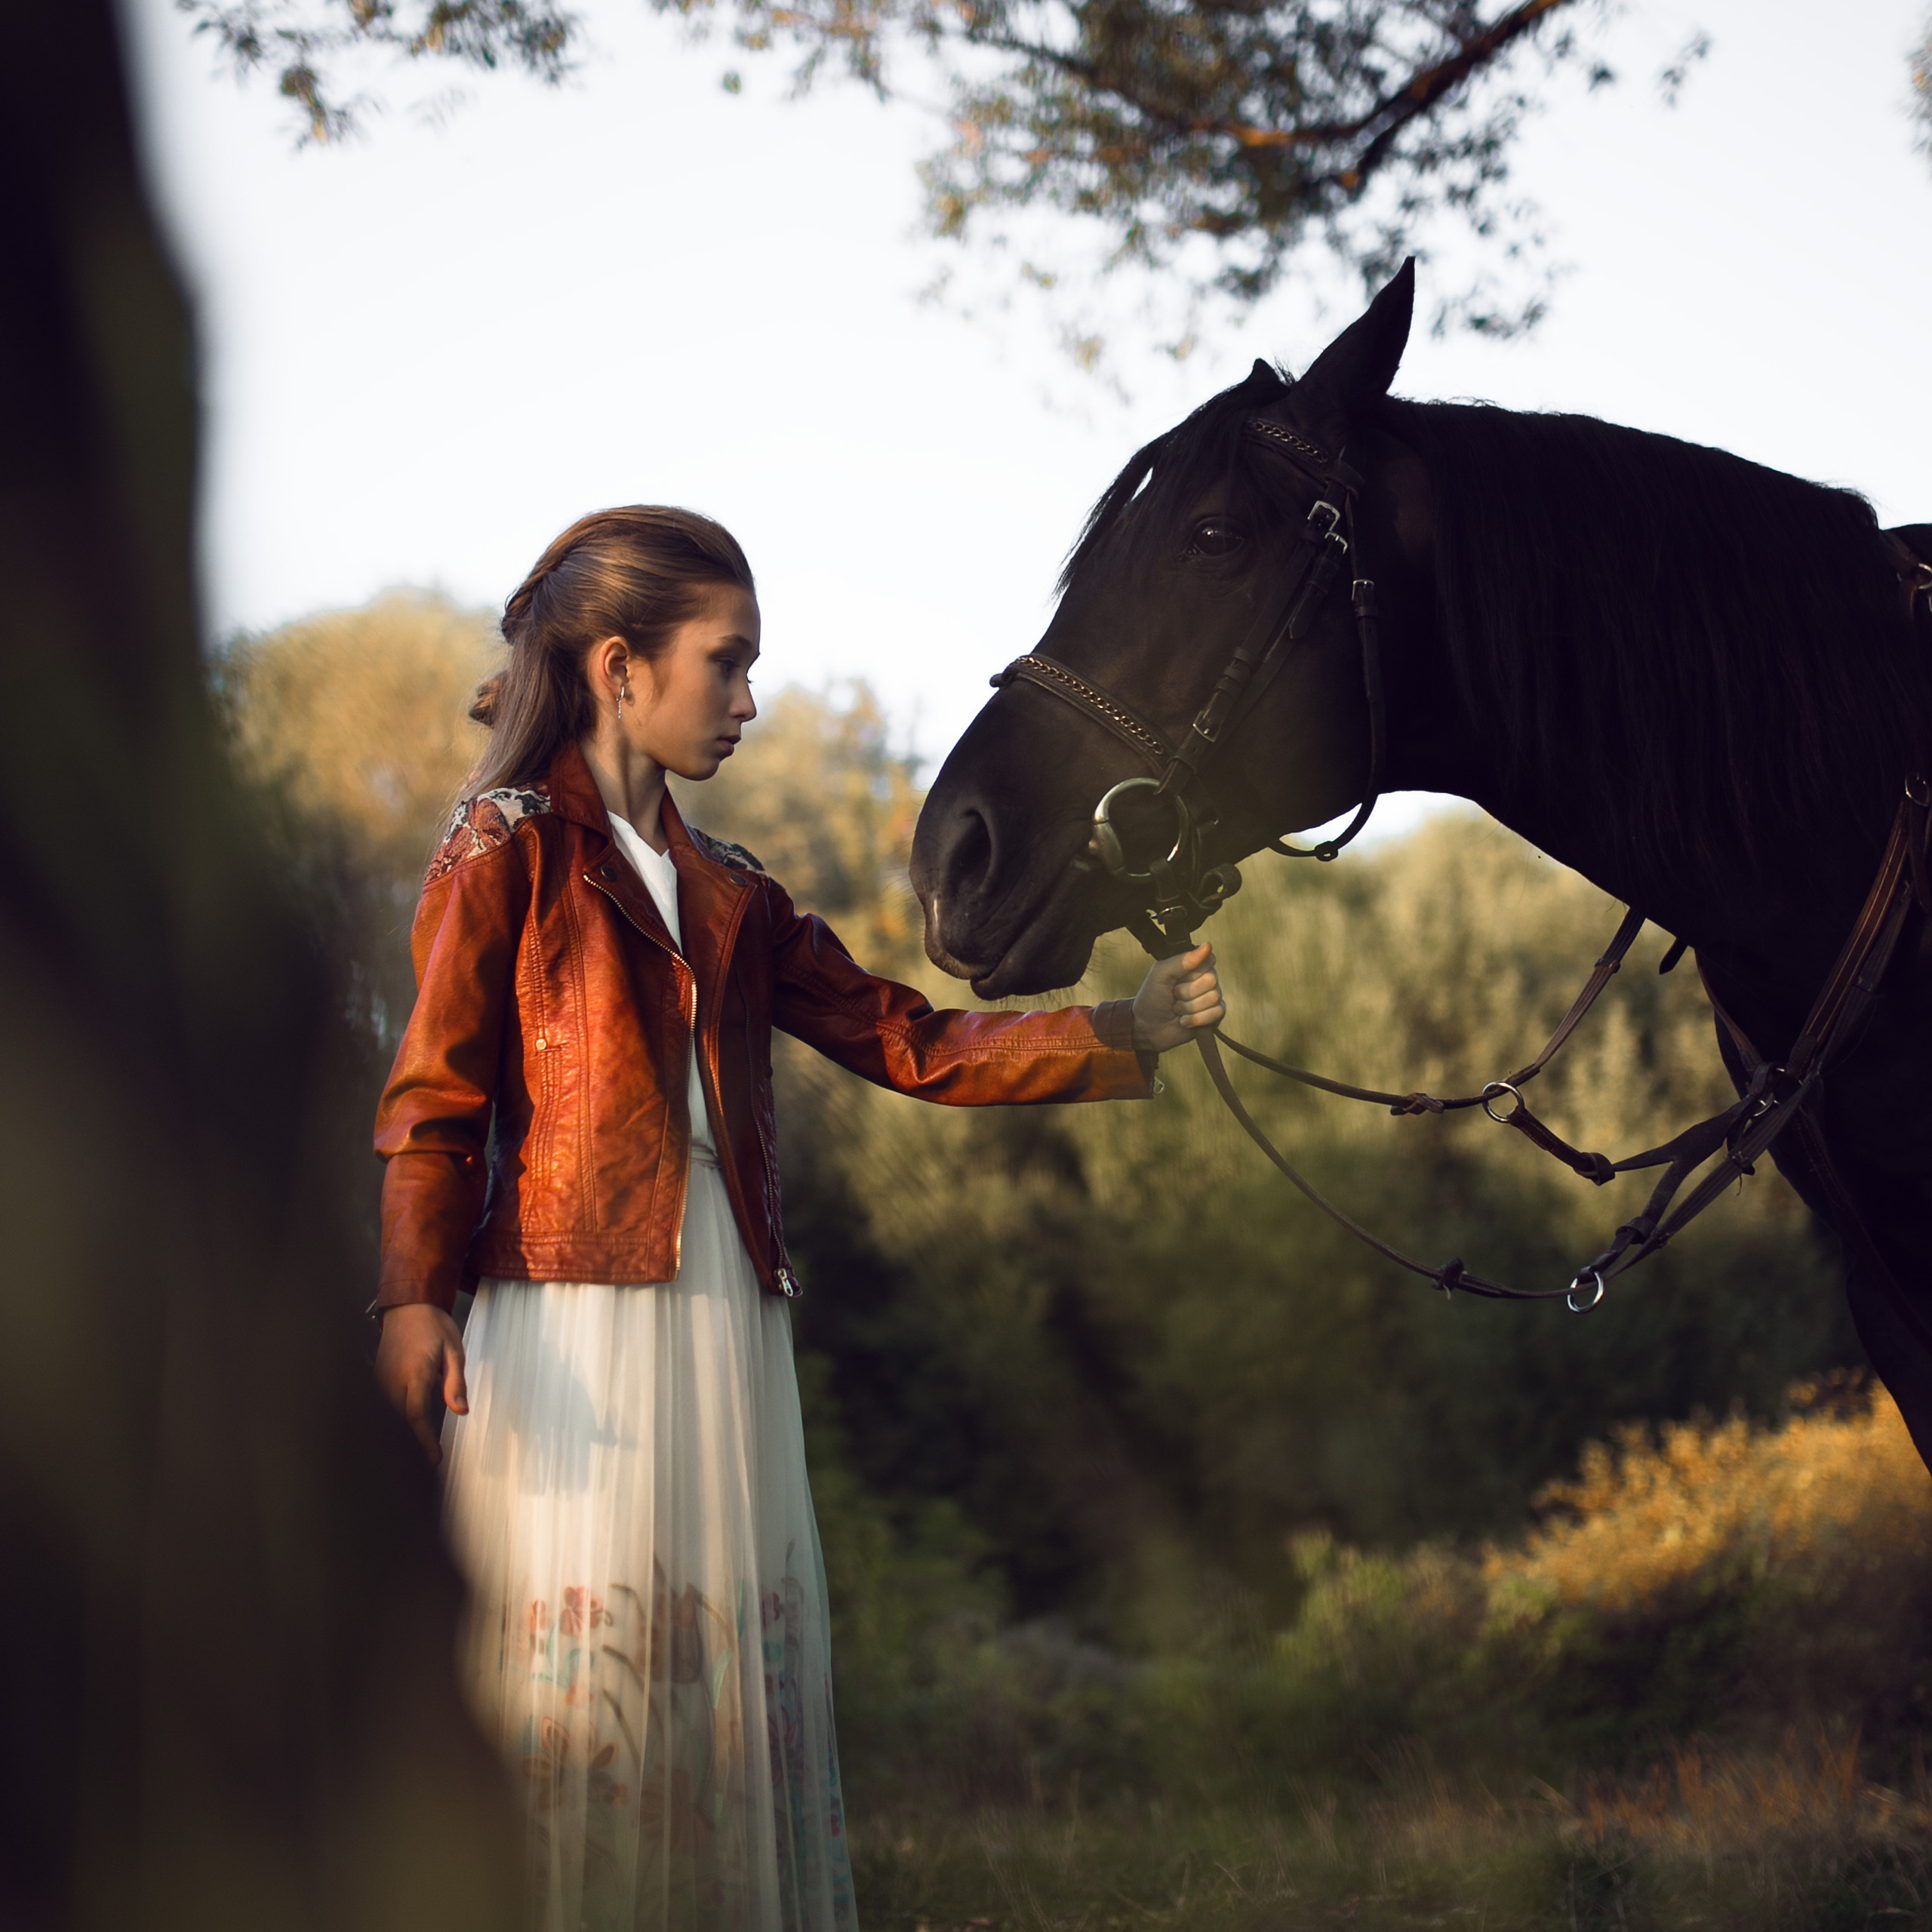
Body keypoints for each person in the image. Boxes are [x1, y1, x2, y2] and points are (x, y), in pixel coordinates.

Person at [371, 506, 1224, 1932]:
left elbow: (914, 1043)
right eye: (731, 663)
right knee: (570, 1676)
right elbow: (433, 1097)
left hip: (722, 1304)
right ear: (618, 668)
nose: (753, 702)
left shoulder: (738, 891)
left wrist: (1118, 1029)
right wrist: (412, 1297)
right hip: (566, 1315)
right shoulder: (502, 847)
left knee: (711, 1678)